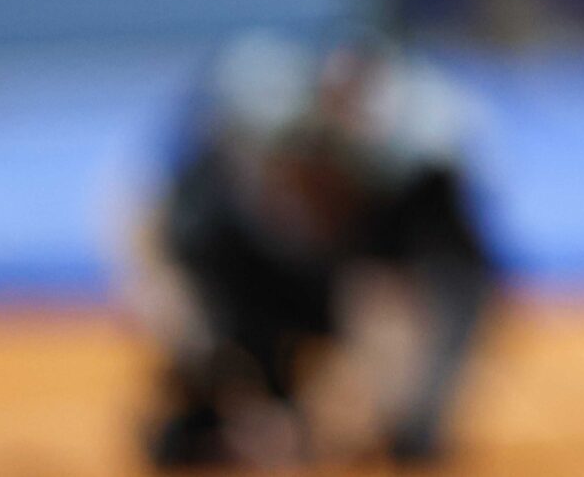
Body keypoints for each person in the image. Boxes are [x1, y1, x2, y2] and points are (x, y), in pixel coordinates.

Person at [120, 37, 497, 468]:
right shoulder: (234, 150)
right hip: (269, 284)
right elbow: (145, 232)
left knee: (413, 430)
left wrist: (342, 416)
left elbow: (413, 313)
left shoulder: (413, 179)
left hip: (370, 288)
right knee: (190, 389)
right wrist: (237, 390)